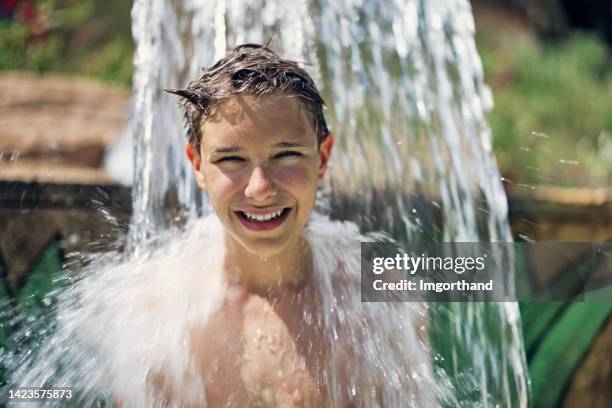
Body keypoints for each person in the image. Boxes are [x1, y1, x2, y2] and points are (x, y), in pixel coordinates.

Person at [141, 43, 434, 407]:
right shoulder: (161, 312)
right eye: (231, 160)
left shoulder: (382, 304)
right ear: (198, 166)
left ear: (323, 157)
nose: (260, 188)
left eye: (286, 155)